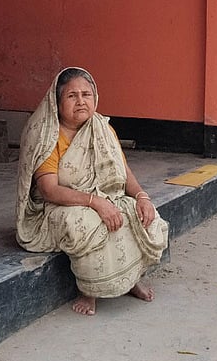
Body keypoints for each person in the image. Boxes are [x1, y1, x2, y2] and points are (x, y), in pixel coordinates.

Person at [16, 67, 169, 316]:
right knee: (85, 223)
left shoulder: (102, 128)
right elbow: (49, 190)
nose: (80, 101)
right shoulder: (46, 135)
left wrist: (142, 197)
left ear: (95, 98)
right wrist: (95, 202)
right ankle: (89, 291)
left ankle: (131, 280)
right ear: (57, 102)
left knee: (142, 217)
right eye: (71, 96)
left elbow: (123, 171)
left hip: (105, 197)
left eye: (86, 94)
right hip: (57, 206)